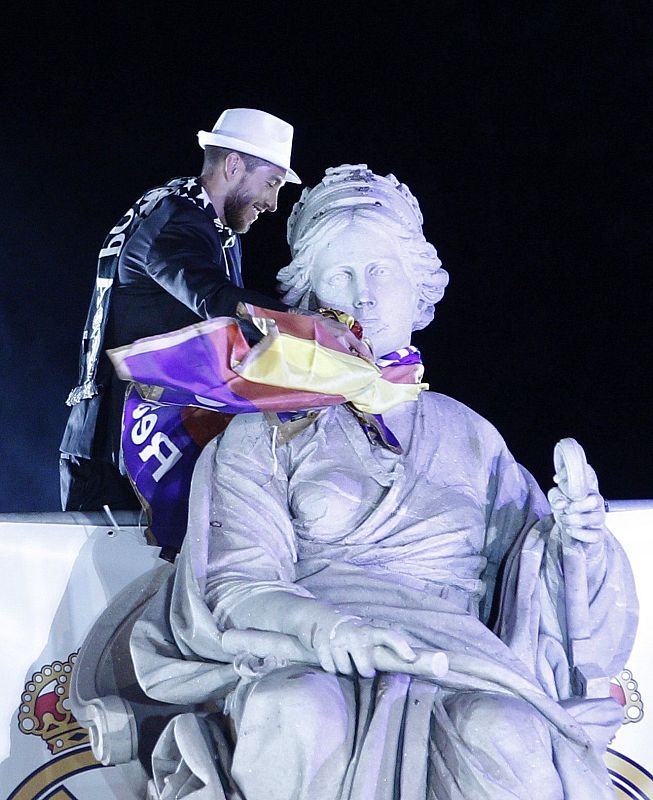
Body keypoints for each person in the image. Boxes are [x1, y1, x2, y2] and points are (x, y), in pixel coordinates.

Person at [128, 165, 637, 799]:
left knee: (504, 728)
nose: (363, 295)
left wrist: (577, 543)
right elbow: (236, 586)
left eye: (380, 271)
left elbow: (549, 600)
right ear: (307, 295)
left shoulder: (472, 436)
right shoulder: (263, 429)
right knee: (298, 711)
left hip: (457, 661)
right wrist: (334, 634)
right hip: (310, 653)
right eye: (340, 275)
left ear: (418, 290)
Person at [59, 109, 366, 515]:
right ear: (234, 165)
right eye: (272, 183)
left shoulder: (199, 219)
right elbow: (215, 299)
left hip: (146, 444)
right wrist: (309, 326)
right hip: (118, 456)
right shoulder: (178, 222)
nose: (274, 204)